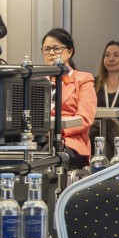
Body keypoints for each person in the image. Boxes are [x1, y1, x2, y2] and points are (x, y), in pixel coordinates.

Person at [41, 28, 97, 168]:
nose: (51, 53)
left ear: (70, 52)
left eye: (57, 48)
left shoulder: (84, 79)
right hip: (39, 139)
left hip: (70, 141)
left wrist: (54, 131)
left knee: (49, 158)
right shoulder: (37, 80)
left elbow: (85, 119)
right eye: (47, 49)